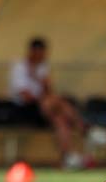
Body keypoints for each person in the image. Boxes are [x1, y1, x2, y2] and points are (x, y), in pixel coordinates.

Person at [8, 37, 91, 169]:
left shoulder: (42, 67)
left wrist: (42, 80)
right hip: (23, 109)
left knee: (60, 120)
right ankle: (82, 126)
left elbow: (48, 91)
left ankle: (68, 157)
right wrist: (44, 98)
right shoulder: (19, 67)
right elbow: (25, 96)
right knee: (52, 102)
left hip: (44, 108)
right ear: (33, 51)